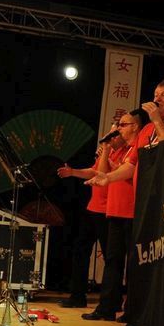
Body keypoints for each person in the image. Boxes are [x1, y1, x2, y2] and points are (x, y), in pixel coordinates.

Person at [87, 78, 164, 326]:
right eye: (156, 94)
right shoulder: (147, 130)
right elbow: (131, 165)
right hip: (145, 205)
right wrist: (108, 178)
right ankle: (142, 319)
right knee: (142, 265)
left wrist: (157, 120)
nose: (158, 99)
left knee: (159, 267)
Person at [81, 110, 143, 321]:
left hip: (132, 211)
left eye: (123, 125)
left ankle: (132, 310)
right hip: (115, 211)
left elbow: (129, 173)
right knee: (113, 261)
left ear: (135, 126)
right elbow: (106, 172)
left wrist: (110, 172)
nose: (119, 129)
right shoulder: (122, 151)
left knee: (134, 264)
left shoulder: (137, 148)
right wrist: (106, 152)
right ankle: (106, 308)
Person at [54, 130, 125, 308]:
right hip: (93, 207)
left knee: (111, 257)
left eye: (115, 133)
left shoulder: (124, 153)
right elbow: (93, 171)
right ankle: (77, 296)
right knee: (80, 250)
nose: (111, 136)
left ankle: (112, 300)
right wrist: (72, 172)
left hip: (108, 210)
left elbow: (102, 173)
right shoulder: (108, 152)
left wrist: (106, 151)